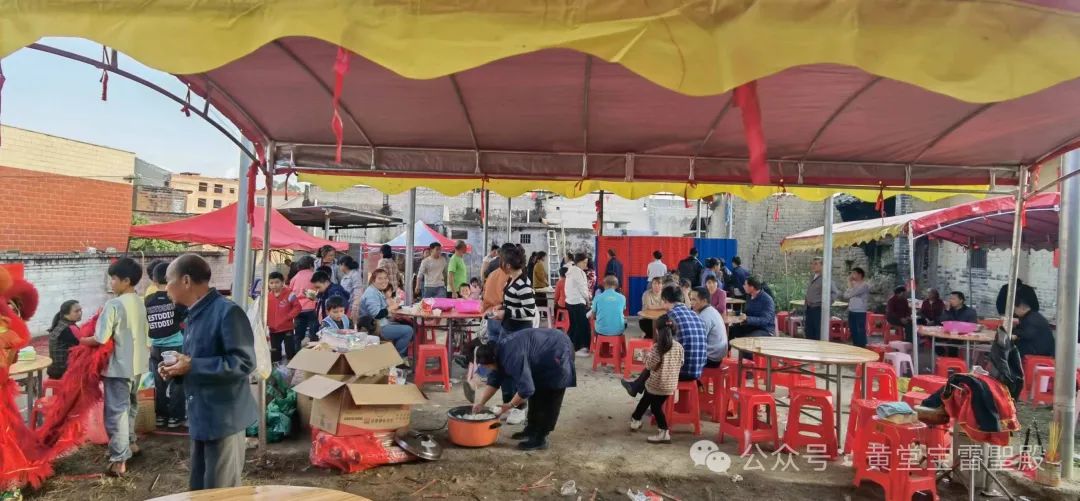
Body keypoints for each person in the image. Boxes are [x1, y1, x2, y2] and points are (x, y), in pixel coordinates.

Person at [159, 254, 258, 491]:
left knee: (220, 491)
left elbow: (244, 362)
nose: (165, 288)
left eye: (168, 281)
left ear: (185, 281)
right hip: (202, 415)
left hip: (224, 419)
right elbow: (196, 360)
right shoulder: (195, 312)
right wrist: (178, 370)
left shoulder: (227, 312)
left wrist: (192, 366)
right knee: (200, 488)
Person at [78, 258, 149, 477]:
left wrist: (81, 339)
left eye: (114, 279)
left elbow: (100, 338)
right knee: (131, 405)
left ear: (126, 281)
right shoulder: (140, 301)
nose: (111, 283)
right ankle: (131, 443)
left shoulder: (114, 305)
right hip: (138, 364)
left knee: (116, 412)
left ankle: (119, 459)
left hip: (118, 367)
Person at [471, 328, 576, 451]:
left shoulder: (512, 358)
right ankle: (531, 429)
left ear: (492, 361)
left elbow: (526, 389)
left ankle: (541, 437)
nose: (487, 369)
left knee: (549, 394)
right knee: (537, 390)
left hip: (558, 349)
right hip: (543, 350)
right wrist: (481, 403)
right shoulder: (495, 353)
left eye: (487, 366)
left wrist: (509, 405)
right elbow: (494, 381)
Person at [622, 285, 706, 396]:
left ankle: (638, 387)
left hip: (682, 372)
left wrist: (648, 355)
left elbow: (663, 348)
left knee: (657, 357)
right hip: (698, 370)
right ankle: (637, 386)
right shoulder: (696, 315)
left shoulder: (670, 317)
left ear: (665, 300)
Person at [145, 261, 188, 429]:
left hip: (155, 347)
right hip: (175, 346)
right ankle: (175, 417)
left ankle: (160, 416)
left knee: (159, 382)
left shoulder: (148, 300)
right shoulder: (176, 300)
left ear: (154, 281)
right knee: (177, 380)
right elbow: (185, 319)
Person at [628, 317, 684, 444]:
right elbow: (681, 363)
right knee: (647, 399)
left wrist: (644, 355)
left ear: (657, 331)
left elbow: (649, 365)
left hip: (656, 384)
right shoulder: (679, 347)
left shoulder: (657, 347)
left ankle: (664, 432)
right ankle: (635, 419)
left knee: (655, 407)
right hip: (671, 385)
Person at [359, 269, 415, 357]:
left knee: (410, 323)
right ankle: (398, 357)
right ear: (373, 280)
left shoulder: (376, 291)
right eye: (380, 278)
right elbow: (377, 315)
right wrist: (391, 307)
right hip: (376, 328)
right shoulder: (371, 293)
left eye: (385, 278)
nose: (384, 281)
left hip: (382, 323)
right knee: (408, 330)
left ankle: (395, 354)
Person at [266, 271, 301, 363]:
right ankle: (277, 368)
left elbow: (298, 307)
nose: (274, 285)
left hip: (287, 328)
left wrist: (289, 316)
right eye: (271, 283)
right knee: (275, 352)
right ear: (268, 284)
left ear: (282, 282)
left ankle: (292, 367)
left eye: (277, 282)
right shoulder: (266, 297)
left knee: (290, 350)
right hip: (273, 329)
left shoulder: (290, 294)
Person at [690, 287, 728, 367]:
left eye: (694, 300)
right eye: (691, 299)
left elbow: (697, 342)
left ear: (704, 301)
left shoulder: (704, 316)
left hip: (711, 359)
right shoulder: (711, 310)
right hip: (717, 355)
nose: (691, 303)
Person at [564, 253, 592, 355]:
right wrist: (588, 301)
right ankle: (581, 348)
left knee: (574, 325)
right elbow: (583, 289)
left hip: (570, 302)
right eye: (584, 262)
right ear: (579, 262)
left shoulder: (570, 271)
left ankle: (569, 345)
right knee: (583, 326)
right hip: (578, 302)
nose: (586, 265)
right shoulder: (579, 272)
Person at [804, 257, 838, 341]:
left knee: (818, 332)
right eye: (812, 263)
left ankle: (819, 348)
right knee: (809, 332)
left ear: (822, 266)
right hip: (809, 308)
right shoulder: (812, 277)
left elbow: (834, 293)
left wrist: (825, 304)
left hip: (818, 309)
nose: (813, 266)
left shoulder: (825, 278)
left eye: (816, 264)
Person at [46, 300, 82, 380]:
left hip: (53, 369)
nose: (80, 313)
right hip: (63, 371)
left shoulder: (60, 324)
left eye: (80, 310)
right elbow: (83, 345)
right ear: (66, 314)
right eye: (76, 311)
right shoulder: (69, 328)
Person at [289, 256, 319, 346]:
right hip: (312, 308)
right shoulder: (314, 275)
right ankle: (313, 351)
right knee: (314, 333)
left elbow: (290, 293)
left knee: (298, 335)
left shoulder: (294, 277)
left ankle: (296, 351)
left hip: (298, 309)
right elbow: (319, 290)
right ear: (311, 265)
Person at [842, 268, 871, 348]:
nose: (852, 275)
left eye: (854, 273)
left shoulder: (864, 285)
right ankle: (855, 346)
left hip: (860, 311)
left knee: (860, 330)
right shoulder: (853, 285)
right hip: (851, 310)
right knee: (853, 329)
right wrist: (850, 286)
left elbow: (850, 294)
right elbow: (845, 295)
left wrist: (849, 284)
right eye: (851, 273)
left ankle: (862, 347)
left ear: (860, 275)